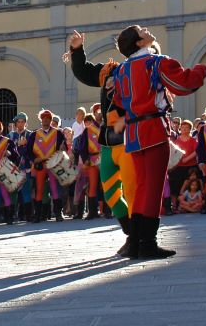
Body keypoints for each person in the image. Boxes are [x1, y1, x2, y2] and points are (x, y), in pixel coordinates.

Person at [111, 25, 206, 259]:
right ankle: (147, 243)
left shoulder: (122, 70)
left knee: (143, 186)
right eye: (141, 31)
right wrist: (201, 69)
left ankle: (135, 241)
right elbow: (185, 84)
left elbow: (119, 101)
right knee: (152, 188)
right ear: (140, 42)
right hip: (153, 128)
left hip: (133, 132)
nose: (146, 30)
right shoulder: (156, 62)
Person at [65, 30, 134, 252]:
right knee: (112, 195)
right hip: (108, 141)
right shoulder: (110, 70)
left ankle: (139, 237)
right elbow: (84, 72)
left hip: (131, 141)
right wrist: (76, 49)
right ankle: (132, 233)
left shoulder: (142, 69)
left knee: (133, 192)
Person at [27, 110, 66, 223]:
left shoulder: (58, 133)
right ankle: (38, 215)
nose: (45, 119)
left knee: (54, 188)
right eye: (43, 118)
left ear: (50, 120)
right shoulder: (34, 134)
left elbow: (63, 149)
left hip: (53, 164)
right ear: (41, 119)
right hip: (40, 165)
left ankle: (58, 213)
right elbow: (28, 151)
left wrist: (64, 149)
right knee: (39, 189)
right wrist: (34, 159)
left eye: (48, 118)